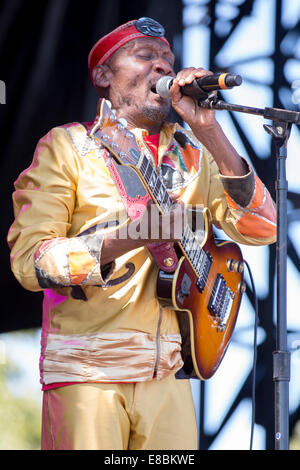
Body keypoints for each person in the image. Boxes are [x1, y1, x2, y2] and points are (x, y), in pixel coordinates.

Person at [7, 17, 276, 450]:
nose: (162, 67)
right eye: (145, 56)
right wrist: (131, 236)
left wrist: (209, 130)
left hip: (168, 375)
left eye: (167, 59)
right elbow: (30, 261)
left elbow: (263, 228)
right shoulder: (68, 147)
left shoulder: (195, 156)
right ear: (103, 76)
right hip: (87, 372)